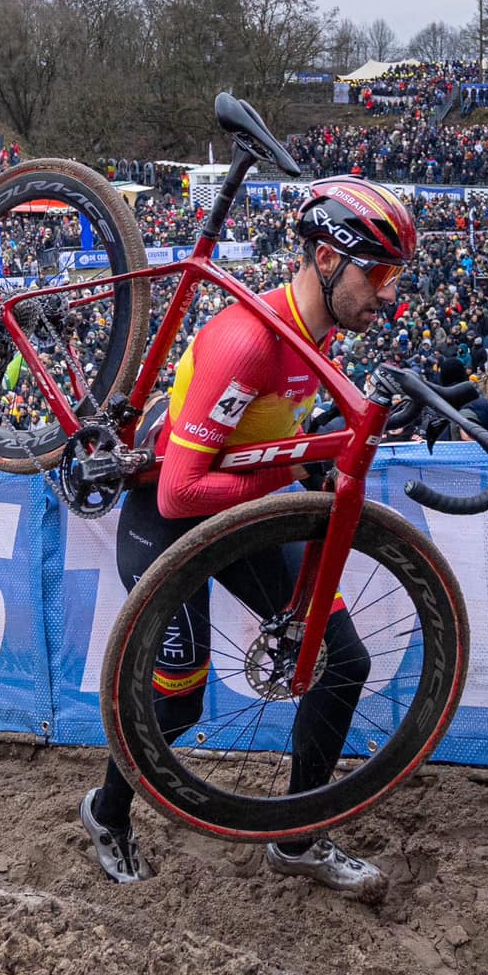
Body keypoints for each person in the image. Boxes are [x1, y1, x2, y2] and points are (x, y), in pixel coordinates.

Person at [79, 177, 408, 898]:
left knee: (340, 658)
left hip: (235, 512)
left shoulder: (316, 338)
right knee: (177, 702)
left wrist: (300, 462)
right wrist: (293, 473)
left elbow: (263, 441)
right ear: (325, 259)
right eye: (378, 273)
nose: (390, 296)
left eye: (396, 278)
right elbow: (179, 491)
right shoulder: (248, 340)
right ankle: (108, 814)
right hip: (166, 519)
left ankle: (296, 838)